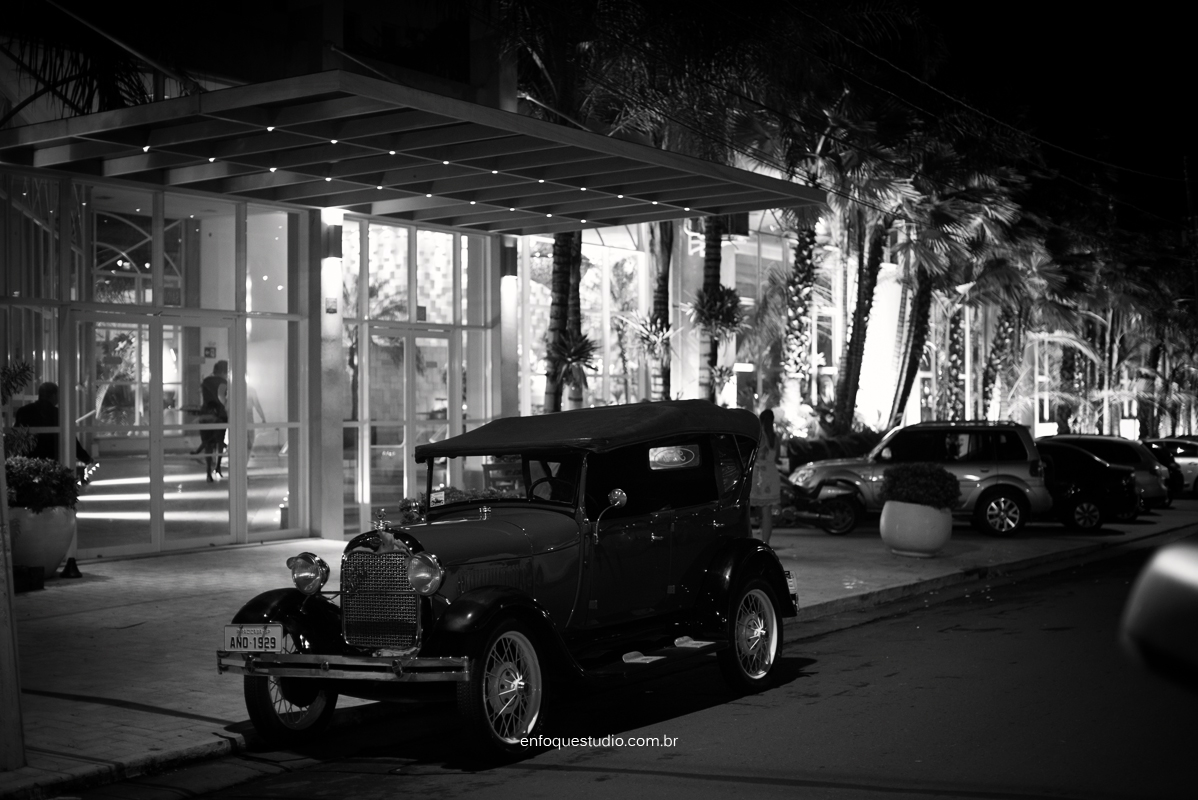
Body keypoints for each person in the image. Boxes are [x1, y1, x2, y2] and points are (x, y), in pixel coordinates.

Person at [14, 382, 93, 466]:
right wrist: (87, 459)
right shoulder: (59, 414)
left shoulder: (23, 411)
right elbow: (72, 441)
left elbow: (15, 436)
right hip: (51, 462)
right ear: (54, 395)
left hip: (27, 461)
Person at [750, 408, 781, 545]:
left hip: (760, 476)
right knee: (767, 511)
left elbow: (755, 455)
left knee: (748, 507)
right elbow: (777, 457)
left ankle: (749, 540)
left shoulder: (761, 436)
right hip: (772, 474)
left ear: (761, 420)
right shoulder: (775, 437)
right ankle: (766, 542)